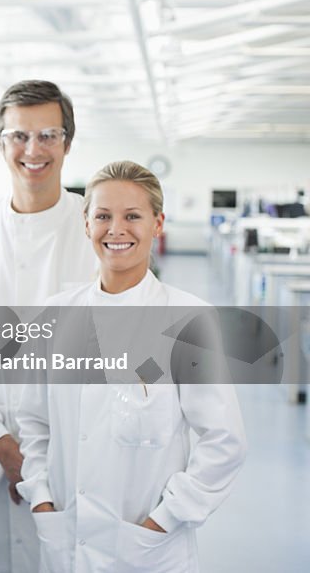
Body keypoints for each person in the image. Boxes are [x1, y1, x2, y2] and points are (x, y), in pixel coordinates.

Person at [16, 160, 247, 572]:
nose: (116, 229)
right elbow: (34, 423)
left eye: (132, 216)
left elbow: (224, 441)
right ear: (86, 225)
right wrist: (41, 497)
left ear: (157, 224)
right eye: (103, 216)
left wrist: (164, 520)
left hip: (148, 548)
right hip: (65, 539)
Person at [0, 80, 96, 573]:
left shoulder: (99, 231)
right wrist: (2, 445)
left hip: (77, 456)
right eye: (19, 136)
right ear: (1, 144)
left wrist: (45, 455)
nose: (33, 150)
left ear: (68, 143)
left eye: (48, 135)